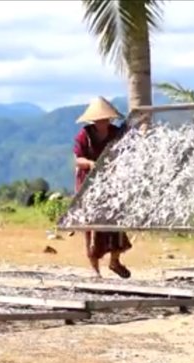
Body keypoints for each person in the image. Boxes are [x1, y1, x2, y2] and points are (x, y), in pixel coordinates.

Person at [73, 96, 133, 279]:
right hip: (89, 185)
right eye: (99, 120)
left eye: (105, 119)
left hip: (112, 184)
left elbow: (126, 152)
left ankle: (115, 261)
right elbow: (78, 159)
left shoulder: (116, 133)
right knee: (92, 227)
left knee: (115, 224)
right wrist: (91, 164)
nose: (102, 122)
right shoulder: (85, 135)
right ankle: (94, 268)